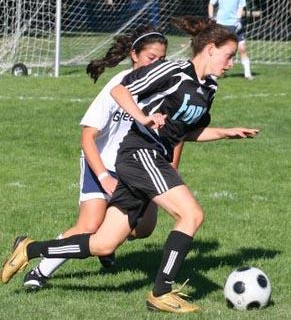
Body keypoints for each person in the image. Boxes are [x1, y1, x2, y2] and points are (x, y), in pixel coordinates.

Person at [1, 16, 259, 313]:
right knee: (191, 215)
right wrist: (143, 117)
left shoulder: (209, 88)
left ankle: (29, 249)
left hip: (151, 156)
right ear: (210, 49)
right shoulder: (174, 70)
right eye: (228, 56)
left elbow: (186, 131)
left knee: (103, 244)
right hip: (140, 153)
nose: (230, 64)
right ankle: (161, 292)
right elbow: (120, 90)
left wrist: (225, 133)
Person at [22, 25, 183, 290]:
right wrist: (104, 177)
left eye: (161, 60)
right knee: (88, 225)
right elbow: (87, 137)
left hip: (138, 165)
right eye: (150, 58)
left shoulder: (163, 88)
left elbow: (177, 133)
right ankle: (39, 270)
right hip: (102, 163)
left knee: (144, 229)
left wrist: (170, 170)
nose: (156, 64)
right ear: (134, 54)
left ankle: (106, 244)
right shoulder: (117, 86)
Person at [208, 0, 253, 79]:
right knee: (220, 49)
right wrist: (211, 17)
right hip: (221, 24)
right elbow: (211, 4)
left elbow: (241, 6)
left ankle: (247, 74)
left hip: (235, 24)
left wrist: (238, 20)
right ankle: (214, 73)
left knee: (242, 48)